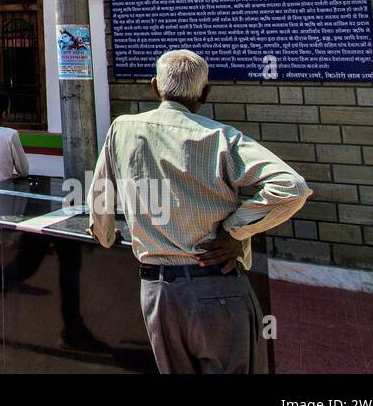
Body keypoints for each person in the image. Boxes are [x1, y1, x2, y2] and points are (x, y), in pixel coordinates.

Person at [88, 49, 311, 374]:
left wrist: (106, 236)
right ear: (205, 93)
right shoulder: (220, 137)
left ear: (155, 87)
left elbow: (99, 200)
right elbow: (292, 187)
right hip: (216, 287)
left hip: (157, 294)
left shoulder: (121, 130)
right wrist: (236, 229)